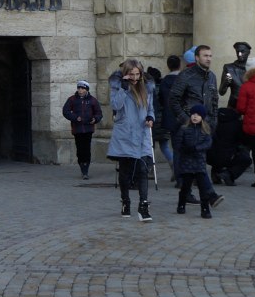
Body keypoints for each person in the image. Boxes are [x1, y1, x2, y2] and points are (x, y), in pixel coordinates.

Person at [168, 45, 222, 207]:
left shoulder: (211, 76)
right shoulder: (186, 75)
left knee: (198, 163)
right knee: (194, 164)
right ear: (197, 57)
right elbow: (174, 98)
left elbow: (214, 100)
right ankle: (208, 195)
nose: (208, 59)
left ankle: (186, 194)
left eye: (210, 56)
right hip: (188, 126)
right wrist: (185, 119)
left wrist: (213, 121)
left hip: (204, 127)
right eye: (205, 55)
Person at [107, 60, 156, 220]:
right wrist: (124, 87)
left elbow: (150, 108)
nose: (135, 78)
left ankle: (143, 205)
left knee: (143, 170)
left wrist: (150, 117)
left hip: (142, 132)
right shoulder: (118, 86)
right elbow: (115, 105)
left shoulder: (147, 87)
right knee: (125, 172)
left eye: (138, 74)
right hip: (125, 134)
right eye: (132, 74)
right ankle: (125, 201)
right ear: (126, 74)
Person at [173, 104, 216, 219]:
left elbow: (208, 143)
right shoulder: (184, 128)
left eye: (198, 115)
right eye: (193, 114)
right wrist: (183, 149)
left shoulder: (205, 130)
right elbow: (177, 143)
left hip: (199, 163)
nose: (195, 117)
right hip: (187, 162)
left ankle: (205, 209)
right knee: (185, 187)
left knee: (203, 188)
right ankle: (181, 204)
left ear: (202, 117)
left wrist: (197, 148)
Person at [61, 80, 102, 180]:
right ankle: (82, 166)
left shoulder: (92, 100)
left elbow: (99, 113)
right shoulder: (72, 99)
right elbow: (65, 111)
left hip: (88, 128)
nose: (80, 90)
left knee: (87, 149)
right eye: (79, 88)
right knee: (80, 149)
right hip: (77, 128)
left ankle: (86, 170)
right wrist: (75, 117)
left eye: (82, 88)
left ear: (86, 89)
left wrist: (95, 119)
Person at [207, 107, 251, 186]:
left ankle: (216, 173)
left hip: (210, 156)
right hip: (228, 156)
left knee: (218, 149)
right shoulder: (237, 124)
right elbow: (244, 140)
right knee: (246, 159)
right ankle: (229, 174)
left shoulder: (214, 121)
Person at [155, 55, 182, 180]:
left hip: (169, 116)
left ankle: (177, 173)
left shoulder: (165, 81)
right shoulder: (184, 78)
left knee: (175, 148)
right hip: (184, 116)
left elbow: (161, 99)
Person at [218, 41, 251, 109]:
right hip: (234, 108)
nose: (239, 54)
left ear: (248, 53)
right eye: (237, 51)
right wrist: (226, 82)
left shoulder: (253, 69)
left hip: (250, 108)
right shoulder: (229, 68)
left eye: (242, 51)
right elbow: (221, 92)